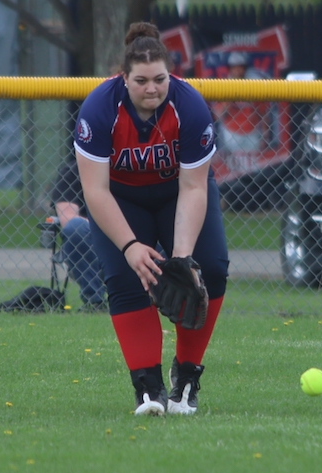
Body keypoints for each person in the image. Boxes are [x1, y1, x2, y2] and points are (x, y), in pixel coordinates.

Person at [73, 22, 229, 416]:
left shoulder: (190, 106)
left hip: (178, 193)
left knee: (210, 269)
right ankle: (148, 388)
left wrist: (182, 257)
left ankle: (187, 379)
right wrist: (130, 247)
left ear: (170, 75)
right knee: (126, 278)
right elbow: (95, 191)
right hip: (121, 199)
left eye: (159, 79)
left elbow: (194, 187)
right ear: (123, 77)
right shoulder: (99, 108)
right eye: (141, 80)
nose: (151, 89)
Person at [50, 160, 108, 312]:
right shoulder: (73, 172)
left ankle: (154, 299)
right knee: (75, 227)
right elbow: (68, 218)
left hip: (135, 236)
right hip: (92, 241)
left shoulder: (135, 171)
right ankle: (95, 302)